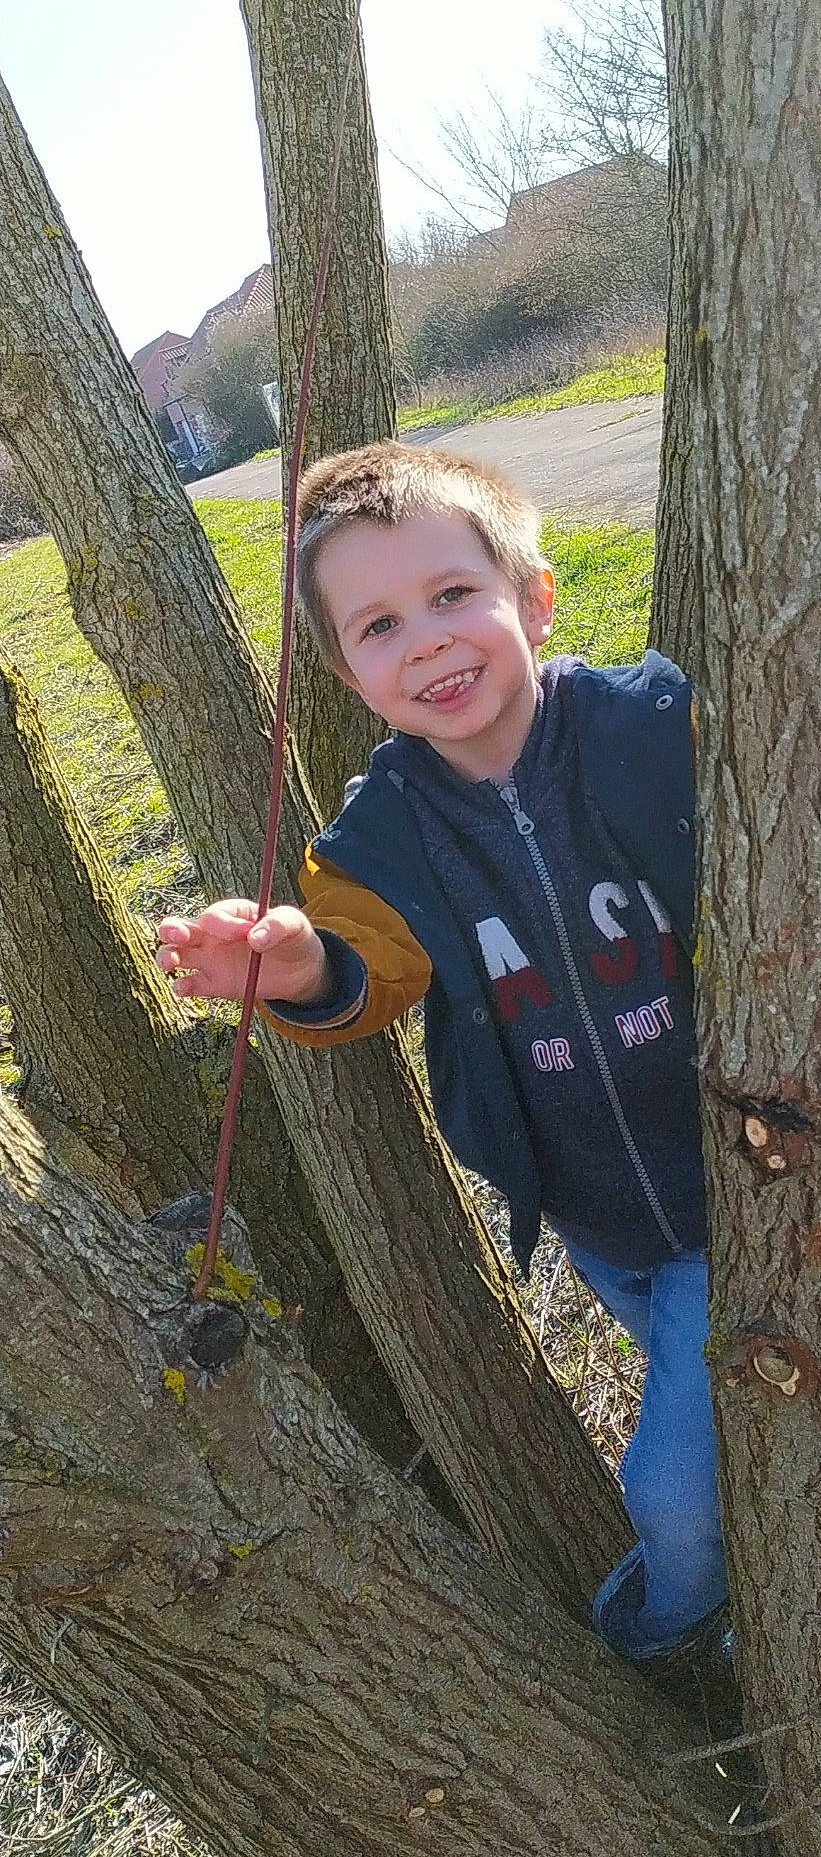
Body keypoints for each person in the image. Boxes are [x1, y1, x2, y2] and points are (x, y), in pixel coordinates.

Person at [156, 441, 728, 1669]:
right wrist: (293, 965)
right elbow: (366, 964)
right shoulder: (379, 836)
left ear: (532, 598)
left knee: (679, 1492)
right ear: (348, 671)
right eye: (377, 624)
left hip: (735, 1192)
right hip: (598, 1221)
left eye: (452, 595)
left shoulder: (641, 725)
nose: (424, 640)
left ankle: (658, 1630)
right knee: (731, 1415)